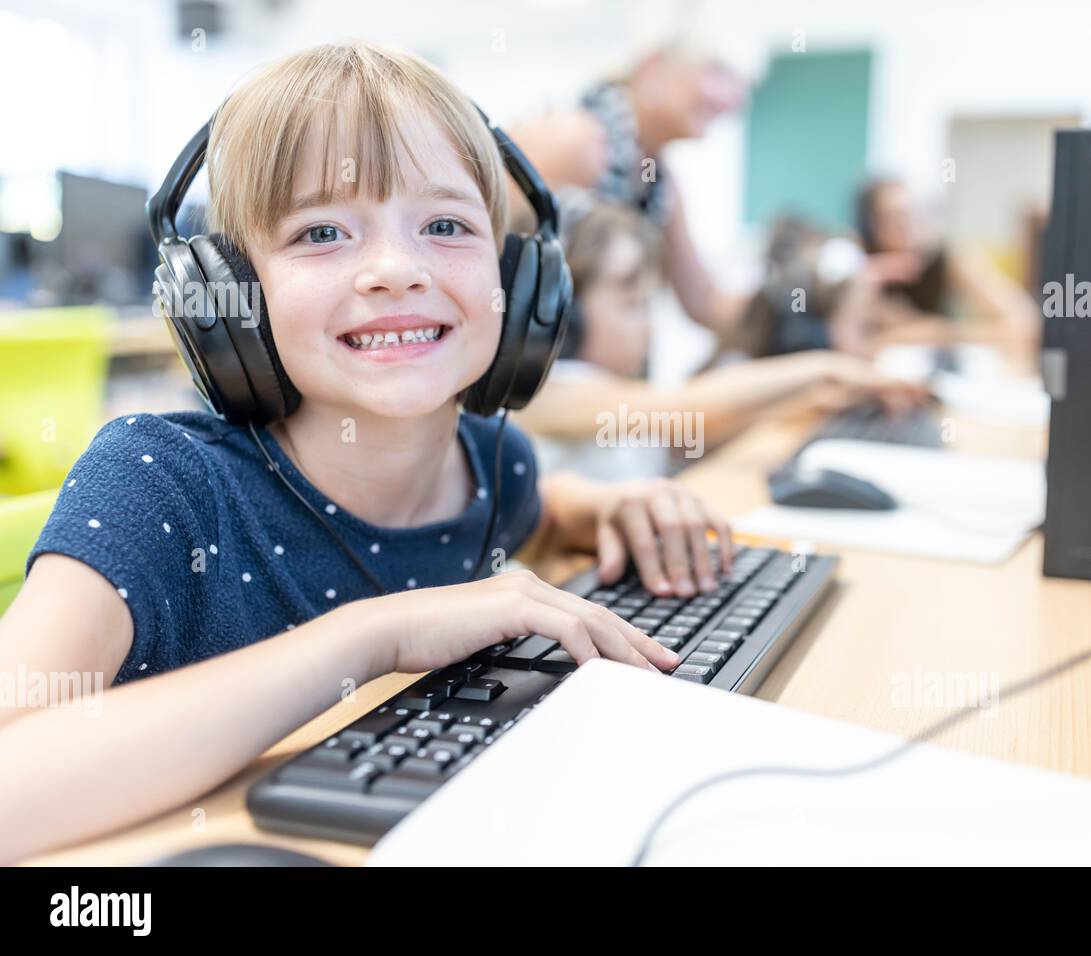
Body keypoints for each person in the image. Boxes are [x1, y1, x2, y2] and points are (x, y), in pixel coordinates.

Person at [0, 42, 737, 864]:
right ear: (226, 295)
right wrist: (372, 636)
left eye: (446, 225)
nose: (395, 268)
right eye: (322, 232)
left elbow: (548, 504)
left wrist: (606, 505)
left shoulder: (492, 466)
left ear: (519, 279)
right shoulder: (162, 486)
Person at [515, 195, 929, 480]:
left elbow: (692, 436)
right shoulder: (547, 395)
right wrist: (830, 369)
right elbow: (691, 411)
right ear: (558, 311)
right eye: (631, 303)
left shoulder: (615, 396)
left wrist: (814, 399)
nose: (648, 326)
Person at [506, 27, 761, 337]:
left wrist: (795, 302)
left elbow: (704, 303)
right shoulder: (579, 140)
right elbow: (498, 253)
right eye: (717, 72)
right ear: (653, 68)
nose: (731, 97)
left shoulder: (659, 183)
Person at [853, 177, 1040, 359]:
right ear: (871, 230)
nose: (908, 227)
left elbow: (1024, 324)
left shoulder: (951, 258)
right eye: (892, 218)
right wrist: (869, 282)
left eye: (913, 213)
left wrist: (939, 333)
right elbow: (860, 348)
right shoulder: (863, 272)